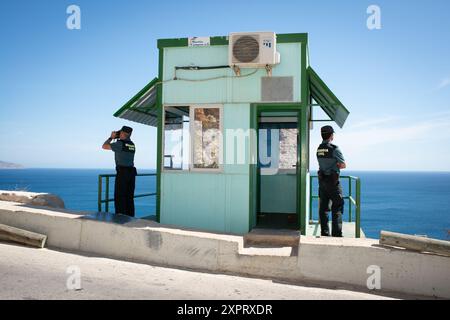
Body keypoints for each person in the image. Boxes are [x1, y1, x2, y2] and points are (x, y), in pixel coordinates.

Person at [316, 125, 346, 237]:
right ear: (331, 135)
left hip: (322, 182)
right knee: (337, 207)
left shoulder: (319, 149)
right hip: (333, 183)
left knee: (323, 209)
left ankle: (324, 233)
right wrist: (337, 165)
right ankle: (337, 234)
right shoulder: (334, 149)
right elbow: (343, 165)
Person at [102, 126, 137, 217]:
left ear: (122, 133)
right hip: (131, 173)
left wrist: (111, 138)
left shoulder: (119, 144)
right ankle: (130, 217)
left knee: (119, 196)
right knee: (129, 197)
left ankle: (121, 218)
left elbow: (104, 146)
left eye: (120, 132)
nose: (118, 134)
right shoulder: (132, 144)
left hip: (123, 173)